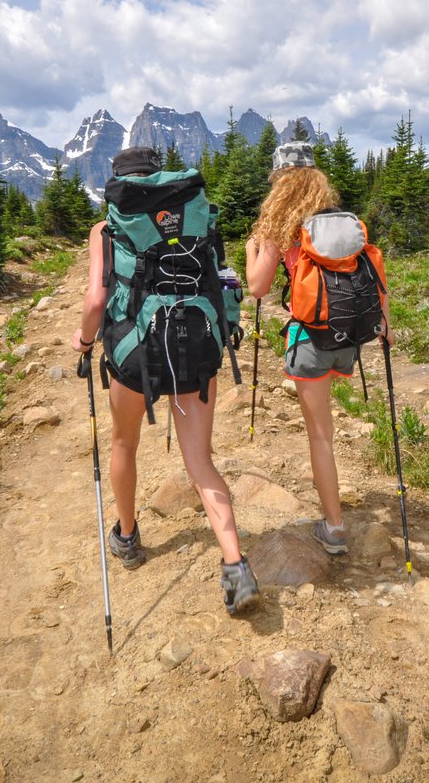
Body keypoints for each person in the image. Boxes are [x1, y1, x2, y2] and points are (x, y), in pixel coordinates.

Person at [72, 146, 259, 616]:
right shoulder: (199, 215)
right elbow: (225, 280)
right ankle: (235, 564)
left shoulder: (107, 227)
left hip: (135, 353)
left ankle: (128, 537)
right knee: (200, 461)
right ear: (160, 176)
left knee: (123, 446)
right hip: (197, 347)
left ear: (120, 183)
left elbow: (96, 300)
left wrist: (84, 340)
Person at [244, 141, 392, 556]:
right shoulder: (343, 224)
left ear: (280, 182)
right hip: (349, 336)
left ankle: (334, 527)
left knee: (320, 436)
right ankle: (333, 518)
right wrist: (386, 326)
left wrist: (252, 251)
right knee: (325, 430)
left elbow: (256, 287)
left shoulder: (281, 227)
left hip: (310, 338)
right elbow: (374, 273)